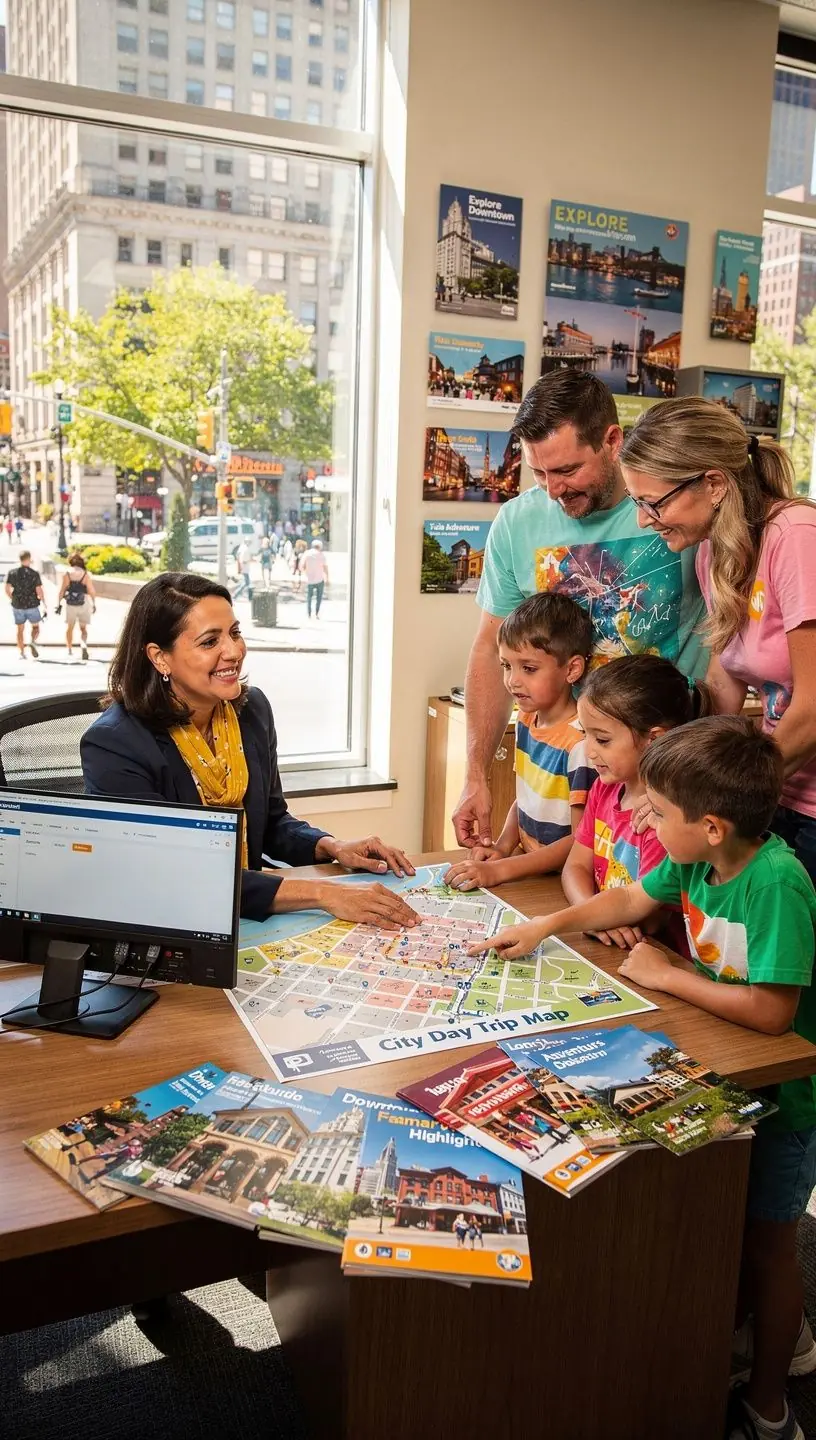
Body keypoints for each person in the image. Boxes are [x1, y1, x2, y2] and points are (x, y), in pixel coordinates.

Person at [479, 717, 816, 1440]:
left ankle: (772, 1398)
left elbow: (772, 1011)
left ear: (715, 826)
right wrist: (547, 927)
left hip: (785, 1095)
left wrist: (670, 975)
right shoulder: (694, 861)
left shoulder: (778, 882)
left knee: (767, 1243)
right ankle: (717, 1345)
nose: (643, 820)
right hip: (725, 1064)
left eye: (659, 813)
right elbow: (630, 901)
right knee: (713, 1223)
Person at [452, 371, 708, 852]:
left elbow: (727, 643)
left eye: (567, 470)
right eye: (538, 473)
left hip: (668, 789)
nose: (552, 489)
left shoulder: (673, 508)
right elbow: (490, 650)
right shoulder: (516, 522)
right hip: (566, 783)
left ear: (613, 440)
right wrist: (475, 774)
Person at [81, 572, 417, 927]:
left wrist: (332, 846)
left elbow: (270, 821)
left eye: (235, 633)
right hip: (169, 920)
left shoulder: (252, 710)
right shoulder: (115, 744)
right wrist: (324, 893)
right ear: (160, 658)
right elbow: (175, 874)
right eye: (210, 642)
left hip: (247, 910)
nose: (234, 651)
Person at [619, 396, 816, 894]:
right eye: (636, 502)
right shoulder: (713, 550)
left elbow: (813, 708)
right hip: (775, 792)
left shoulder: (796, 537)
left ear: (713, 484)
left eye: (653, 503)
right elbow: (723, 689)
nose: (644, 519)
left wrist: (710, 791)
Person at [444, 593, 594, 892]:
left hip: (563, 882)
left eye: (528, 668)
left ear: (572, 669)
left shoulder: (580, 744)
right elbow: (526, 800)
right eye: (506, 666)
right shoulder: (527, 720)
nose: (512, 680)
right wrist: (501, 848)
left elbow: (580, 841)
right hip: (530, 870)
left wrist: (501, 870)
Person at [559, 654, 710, 949]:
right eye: (584, 734)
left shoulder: (665, 819)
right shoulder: (603, 790)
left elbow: (650, 920)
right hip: (613, 944)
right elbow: (574, 866)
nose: (588, 751)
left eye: (602, 740)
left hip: (658, 956)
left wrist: (594, 916)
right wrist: (590, 913)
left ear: (654, 739)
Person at [4, 549, 45, 659]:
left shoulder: (12, 573)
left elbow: (7, 589)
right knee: (36, 627)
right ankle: (32, 641)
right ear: (29, 559)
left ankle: (22, 652)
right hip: (32, 604)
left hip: (17, 605)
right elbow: (39, 590)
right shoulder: (34, 573)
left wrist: (13, 598)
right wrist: (44, 603)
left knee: (20, 629)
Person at [56, 551, 96, 661]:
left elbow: (62, 590)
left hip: (71, 604)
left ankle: (69, 649)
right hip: (83, 602)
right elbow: (91, 590)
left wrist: (58, 603)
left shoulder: (67, 573)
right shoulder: (85, 574)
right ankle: (83, 645)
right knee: (83, 629)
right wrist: (94, 603)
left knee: (70, 628)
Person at [301, 539, 329, 620]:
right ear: (320, 547)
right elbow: (325, 567)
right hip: (320, 579)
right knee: (318, 598)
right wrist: (327, 578)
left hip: (309, 579)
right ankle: (316, 613)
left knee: (309, 597)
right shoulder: (321, 555)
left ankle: (309, 613)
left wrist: (305, 573)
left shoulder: (307, 554)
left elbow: (302, 565)